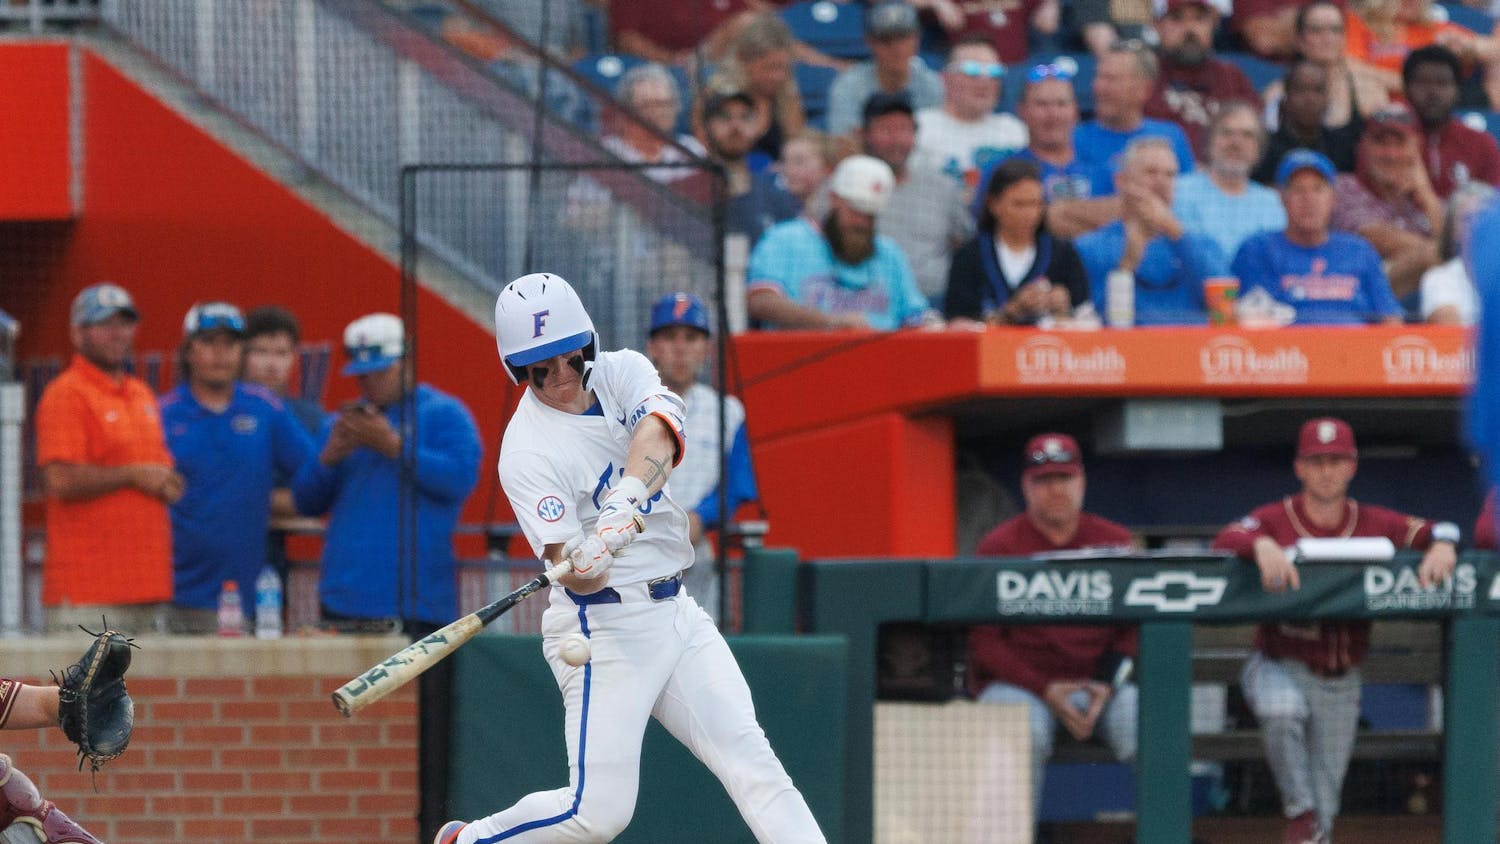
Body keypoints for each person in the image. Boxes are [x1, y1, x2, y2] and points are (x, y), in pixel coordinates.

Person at [434, 272, 826, 844]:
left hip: (677, 611)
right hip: (603, 627)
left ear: (587, 344)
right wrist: (590, 557)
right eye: (541, 369)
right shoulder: (525, 452)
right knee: (597, 815)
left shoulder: (622, 370)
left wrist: (625, 500)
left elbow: (659, 436)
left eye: (569, 358)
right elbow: (575, 573)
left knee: (755, 765)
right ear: (517, 370)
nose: (562, 378)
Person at [1211, 416, 1458, 844]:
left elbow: (1434, 529)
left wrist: (1443, 544)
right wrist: (1262, 544)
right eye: (1317, 460)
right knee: (1280, 711)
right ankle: (1297, 809)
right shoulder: (1275, 517)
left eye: (1336, 461)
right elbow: (1228, 536)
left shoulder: (1373, 520)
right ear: (1300, 467)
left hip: (1340, 682)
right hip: (1278, 663)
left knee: (1326, 814)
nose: (1327, 470)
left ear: (1352, 467)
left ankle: (1310, 819)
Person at [968, 433, 1137, 829]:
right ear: (1026, 486)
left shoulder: (1113, 541)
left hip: (1099, 688)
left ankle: (1167, 835)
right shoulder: (1000, 546)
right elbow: (984, 640)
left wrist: (1105, 684)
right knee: (1014, 726)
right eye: (1044, 480)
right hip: (1023, 687)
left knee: (1148, 719)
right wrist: (1043, 687)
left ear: (1082, 481)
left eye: (1064, 478)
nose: (1055, 489)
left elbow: (1133, 629)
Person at [291, 312, 481, 630]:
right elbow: (305, 501)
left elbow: (458, 480)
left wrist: (393, 446)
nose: (370, 383)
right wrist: (328, 458)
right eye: (362, 375)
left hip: (418, 604)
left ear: (405, 362)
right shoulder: (341, 424)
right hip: (343, 599)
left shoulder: (444, 413)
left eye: (381, 372)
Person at [158, 302, 315, 632]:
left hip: (245, 597)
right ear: (188, 351)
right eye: (208, 343)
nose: (220, 354)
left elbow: (314, 475)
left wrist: (270, 501)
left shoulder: (263, 407)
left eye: (229, 344)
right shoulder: (162, 414)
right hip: (170, 595)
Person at [34, 283, 180, 634]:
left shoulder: (140, 392)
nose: (118, 334)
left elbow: (157, 470)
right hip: (89, 594)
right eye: (105, 325)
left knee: (145, 692)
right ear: (78, 333)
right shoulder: (66, 393)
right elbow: (60, 480)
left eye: (124, 324)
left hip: (148, 589)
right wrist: (132, 475)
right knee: (82, 692)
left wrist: (167, 481)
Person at [643, 293, 758, 626]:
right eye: (669, 337)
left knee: (698, 639)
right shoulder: (628, 406)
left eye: (691, 338)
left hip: (697, 551)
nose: (680, 348)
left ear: (706, 349)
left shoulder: (728, 411)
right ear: (652, 346)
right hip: (636, 543)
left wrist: (699, 516)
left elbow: (734, 487)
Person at [747, 154, 940, 329]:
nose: (862, 222)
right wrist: (830, 322)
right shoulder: (785, 239)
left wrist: (937, 324)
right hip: (802, 360)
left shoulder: (888, 253)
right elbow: (760, 301)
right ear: (834, 199)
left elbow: (916, 315)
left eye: (870, 215)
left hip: (878, 362)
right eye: (855, 211)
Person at [1232, 149, 1404, 324]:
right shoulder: (1258, 250)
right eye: (1298, 190)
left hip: (1356, 347)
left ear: (1333, 198)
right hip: (1287, 348)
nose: (1309, 199)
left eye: (1318, 189)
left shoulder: (1359, 251)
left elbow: (1390, 317)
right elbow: (1247, 318)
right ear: (1282, 198)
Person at [1075, 137, 1228, 324]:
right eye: (1150, 172)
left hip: (1192, 347)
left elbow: (1225, 306)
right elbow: (1093, 318)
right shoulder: (1089, 246)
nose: (1161, 182)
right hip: (1125, 348)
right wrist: (1128, 263)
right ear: (1121, 181)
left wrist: (1177, 235)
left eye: (1170, 175)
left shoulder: (1204, 244)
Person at [945, 157, 1091, 324]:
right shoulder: (970, 256)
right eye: (1019, 204)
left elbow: (1085, 313)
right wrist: (1012, 311)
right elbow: (957, 320)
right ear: (993, 204)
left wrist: (1063, 305)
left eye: (1036, 204)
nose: (1029, 214)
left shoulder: (1063, 254)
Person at [862, 92, 974, 305]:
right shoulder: (843, 185)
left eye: (904, 129)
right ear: (865, 134)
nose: (896, 140)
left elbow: (964, 246)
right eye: (886, 130)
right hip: (864, 304)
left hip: (935, 303)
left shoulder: (944, 187)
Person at [989, 61, 1120, 237]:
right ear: (1022, 111)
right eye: (1042, 104)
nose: (1053, 114)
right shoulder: (1003, 172)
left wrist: (1055, 214)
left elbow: (1126, 215)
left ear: (1075, 111)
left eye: (1061, 104)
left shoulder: (1103, 167)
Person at [1331, 104, 1443, 299]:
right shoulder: (1344, 187)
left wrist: (1427, 197)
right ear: (1364, 145)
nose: (1390, 154)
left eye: (1399, 143)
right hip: (1358, 293)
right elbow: (1375, 237)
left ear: (1417, 146)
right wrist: (1441, 253)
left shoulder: (1429, 198)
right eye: (1380, 143)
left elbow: (1455, 247)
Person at [1143, 0, 1260, 160]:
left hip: (1221, 177)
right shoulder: (1144, 74)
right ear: (1156, 25)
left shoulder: (1231, 76)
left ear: (1213, 24)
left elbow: (1255, 137)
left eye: (1199, 19)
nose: (1190, 29)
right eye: (1177, 19)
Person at [1172, 101, 1287, 261]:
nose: (1236, 143)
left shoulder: (1271, 202)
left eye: (1247, 135)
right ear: (1209, 142)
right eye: (1226, 133)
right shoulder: (1179, 191)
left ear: (1259, 148)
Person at [913, 36, 1028, 190]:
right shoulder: (920, 127)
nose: (984, 81)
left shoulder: (1014, 130)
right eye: (972, 71)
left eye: (994, 72)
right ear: (945, 78)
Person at [1258, 2, 1392, 134]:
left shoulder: (1370, 92)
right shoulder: (1277, 95)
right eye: (1316, 30)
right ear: (1299, 40)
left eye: (1335, 30)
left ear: (1344, 38)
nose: (1327, 38)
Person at [1075, 41, 1196, 176]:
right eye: (1099, 76)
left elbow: (1187, 193)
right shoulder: (1073, 140)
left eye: (1111, 79)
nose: (1099, 87)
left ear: (1144, 90)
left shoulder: (1171, 137)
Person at [825, 1, 944, 136]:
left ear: (916, 39)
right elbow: (844, 141)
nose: (896, 48)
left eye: (903, 38)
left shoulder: (930, 83)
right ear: (870, 43)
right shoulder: (849, 84)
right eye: (885, 40)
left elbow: (935, 139)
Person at [700, 13, 805, 166]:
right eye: (770, 68)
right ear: (743, 60)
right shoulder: (714, 94)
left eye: (784, 68)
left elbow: (796, 146)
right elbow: (703, 151)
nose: (778, 76)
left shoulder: (788, 96)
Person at [702, 89, 801, 248]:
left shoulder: (776, 195)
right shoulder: (685, 191)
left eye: (745, 117)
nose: (736, 126)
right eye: (725, 117)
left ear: (757, 126)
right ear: (707, 126)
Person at [1403, 44, 1500, 200]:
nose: (1432, 92)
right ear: (1406, 88)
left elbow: (1491, 211)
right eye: (1422, 82)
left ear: (1458, 90)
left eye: (1442, 83)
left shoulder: (1482, 145)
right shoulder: (1388, 144)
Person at [1253, 59, 1363, 184]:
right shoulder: (1265, 150)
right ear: (1285, 99)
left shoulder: (1343, 147)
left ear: (1327, 98)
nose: (1310, 99)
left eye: (1318, 90)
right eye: (1301, 90)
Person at [603, 63, 709, 184]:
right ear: (627, 111)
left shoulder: (692, 149)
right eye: (647, 105)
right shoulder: (607, 152)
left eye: (664, 104)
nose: (658, 112)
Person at [242, 305, 325, 435]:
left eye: (281, 353)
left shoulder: (311, 418)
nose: (272, 364)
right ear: (241, 355)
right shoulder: (221, 412)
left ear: (294, 358)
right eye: (261, 351)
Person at [1420, 181, 1495, 323]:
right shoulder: (1439, 279)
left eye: (1484, 218)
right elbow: (1451, 333)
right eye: (1467, 220)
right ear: (1453, 230)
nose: (1477, 227)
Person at [912, 0, 1062, 64]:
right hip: (971, 70)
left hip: (1015, 71)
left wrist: (1050, 3)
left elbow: (1048, 25)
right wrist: (938, 3)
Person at [775, 130, 845, 211]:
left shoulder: (838, 210)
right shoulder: (773, 202)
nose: (788, 170)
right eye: (784, 161)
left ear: (827, 168)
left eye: (799, 162)